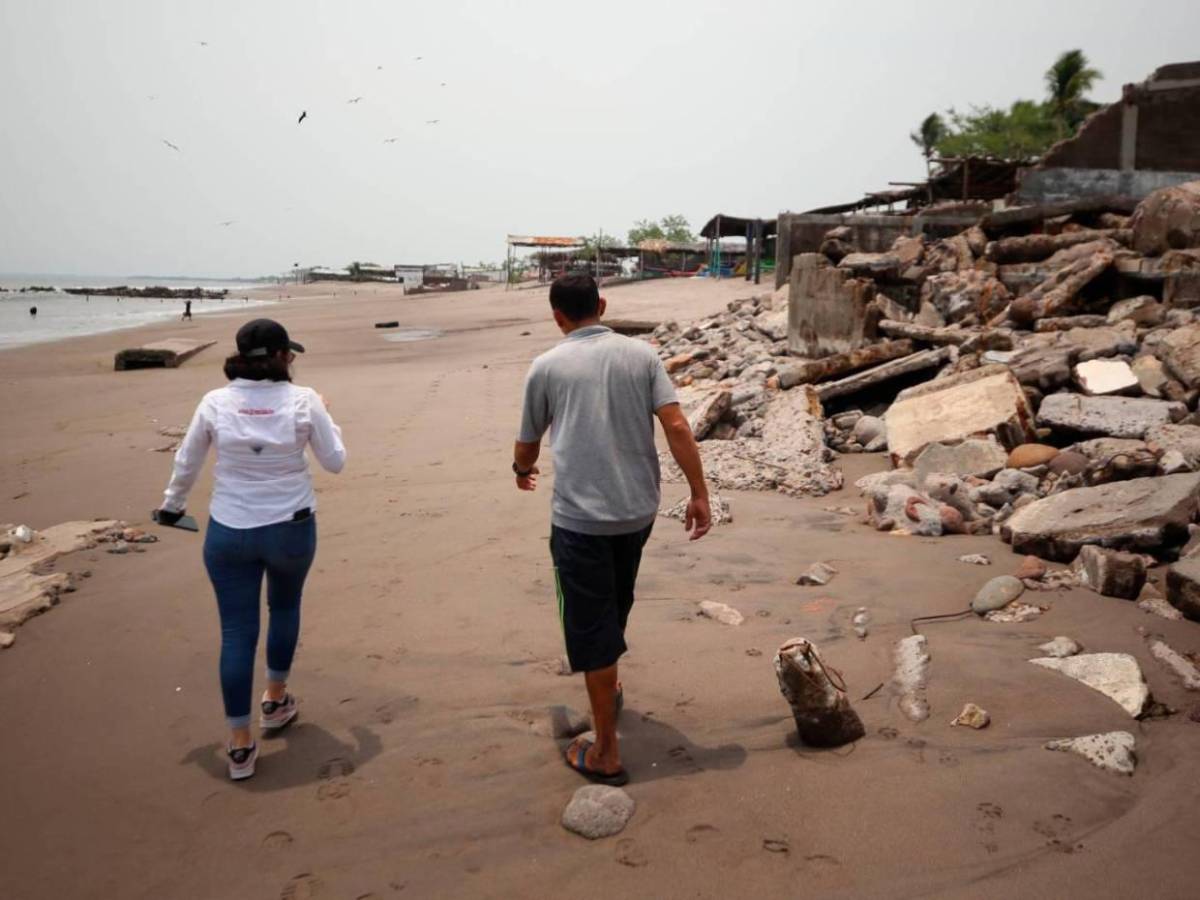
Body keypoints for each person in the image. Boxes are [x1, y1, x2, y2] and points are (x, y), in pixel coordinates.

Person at [514, 274, 711, 786]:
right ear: (601, 305)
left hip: (581, 520)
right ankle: (609, 689)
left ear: (557, 316)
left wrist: (521, 471)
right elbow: (677, 426)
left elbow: (528, 442)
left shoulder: (547, 366)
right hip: (637, 513)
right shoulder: (640, 356)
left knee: (590, 626)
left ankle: (605, 751)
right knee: (615, 602)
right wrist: (699, 492)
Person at [155, 318, 346, 780]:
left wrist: (171, 506)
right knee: (284, 607)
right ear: (283, 357)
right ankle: (275, 700)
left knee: (237, 633)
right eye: (291, 354)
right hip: (290, 530)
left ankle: (240, 744)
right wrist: (325, 412)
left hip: (230, 533)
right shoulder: (303, 401)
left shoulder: (216, 402)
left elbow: (188, 461)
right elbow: (335, 461)